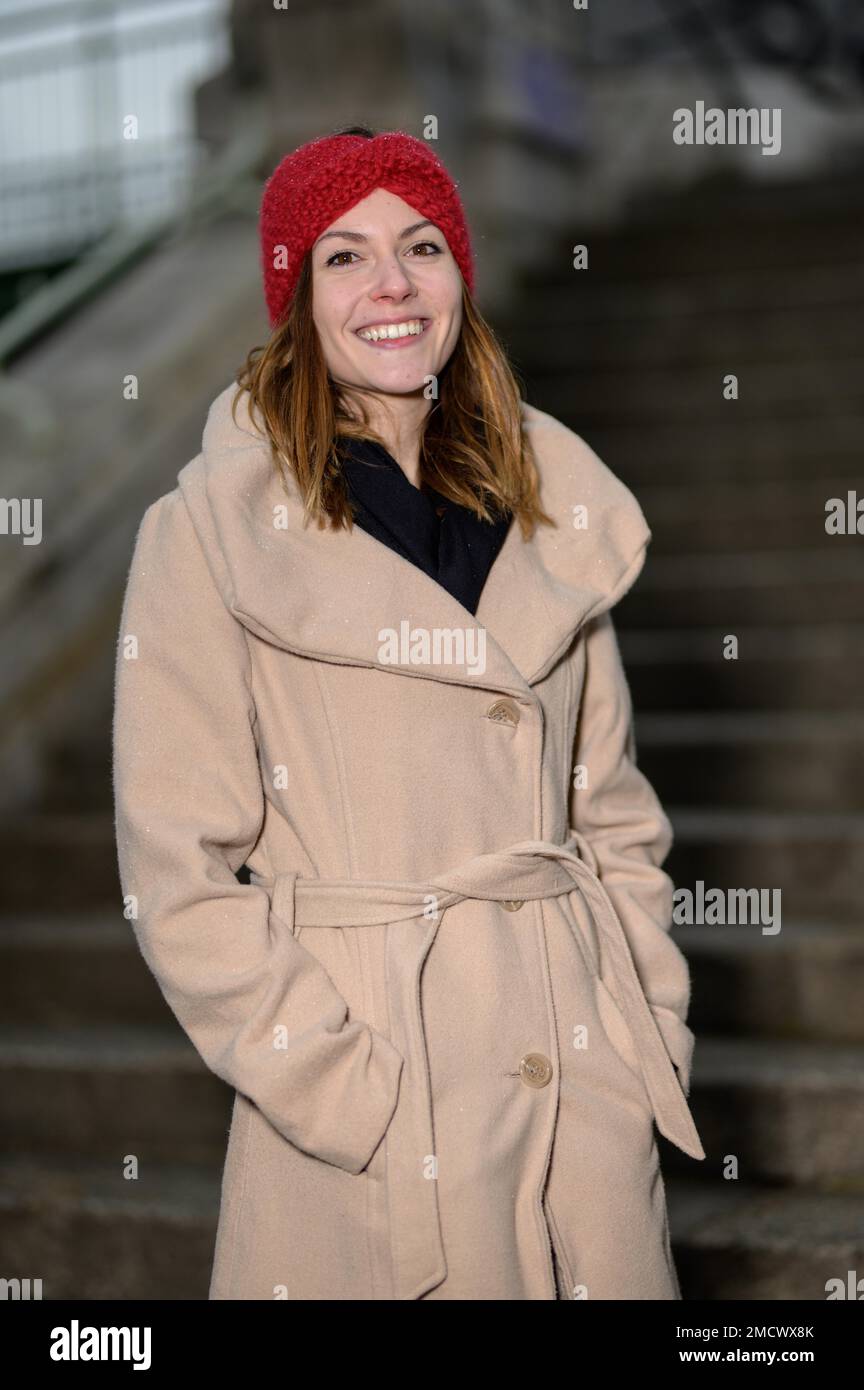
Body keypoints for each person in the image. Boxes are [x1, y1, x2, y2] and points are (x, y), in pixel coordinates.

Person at [111, 125, 705, 1302]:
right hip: (375, 1106)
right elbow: (176, 869)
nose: (391, 283)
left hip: (580, 1081)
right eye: (344, 256)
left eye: (421, 246)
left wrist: (650, 1028)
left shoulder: (549, 507)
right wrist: (342, 1085)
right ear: (295, 299)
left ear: (458, 282)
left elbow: (616, 819)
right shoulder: (209, 533)